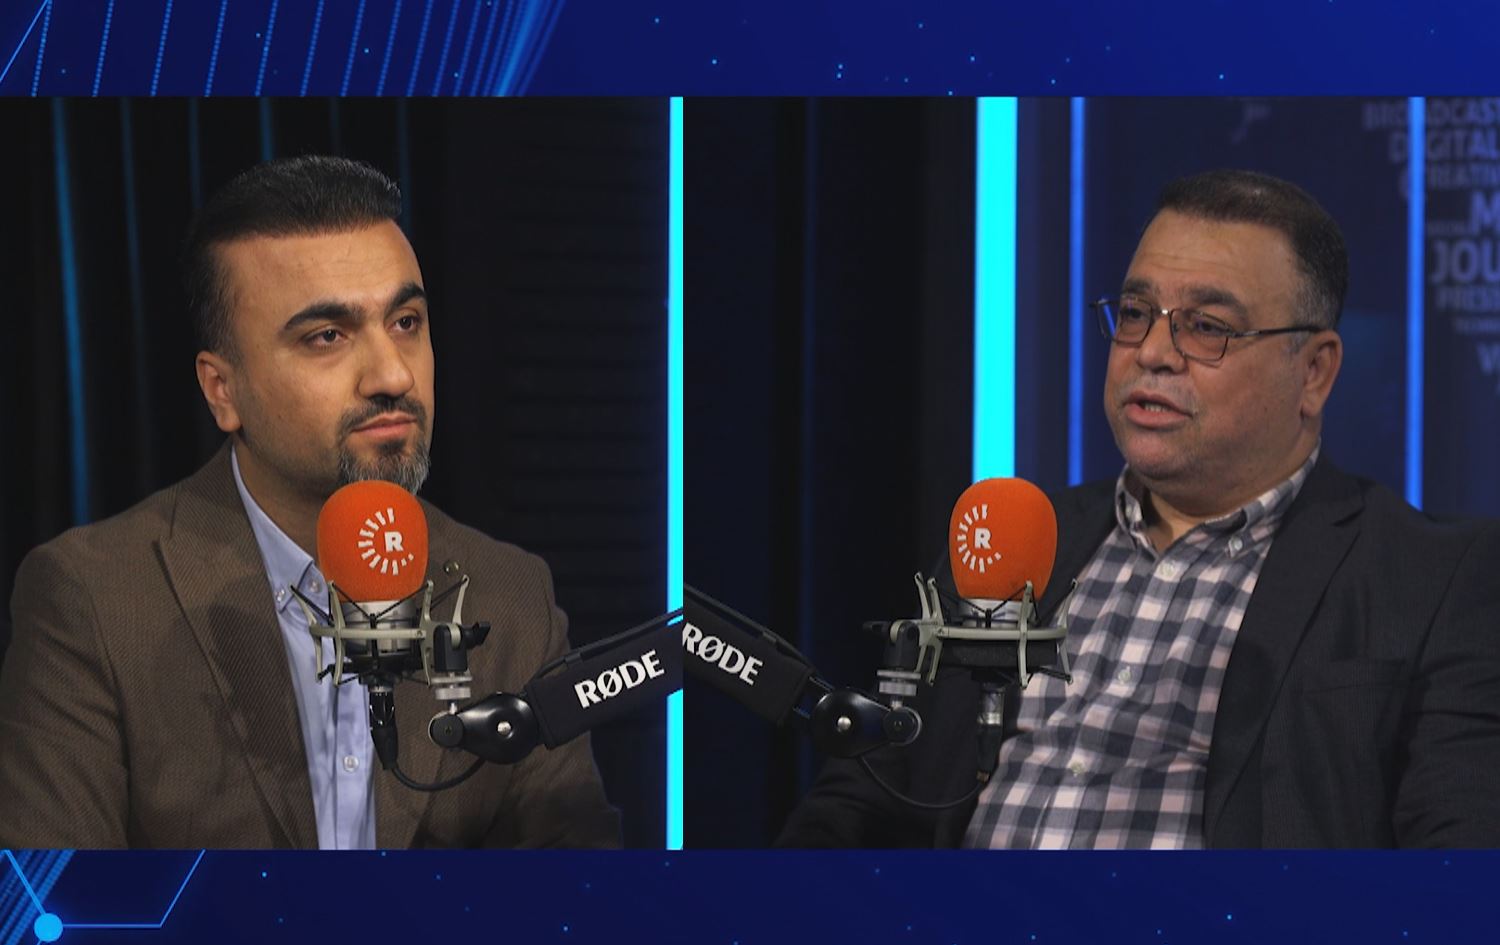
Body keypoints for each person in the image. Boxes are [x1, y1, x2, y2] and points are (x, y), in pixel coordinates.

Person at [779, 169, 1500, 848]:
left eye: (1207, 326)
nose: (1152, 352)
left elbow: (1460, 864)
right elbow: (865, 793)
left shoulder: (1432, 578)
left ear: (1314, 371)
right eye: (1135, 313)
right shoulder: (1008, 540)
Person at [0, 156, 620, 848]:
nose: (392, 375)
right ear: (222, 390)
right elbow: (57, 895)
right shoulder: (94, 598)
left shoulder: (511, 595)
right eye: (327, 336)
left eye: (406, 321)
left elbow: (580, 886)